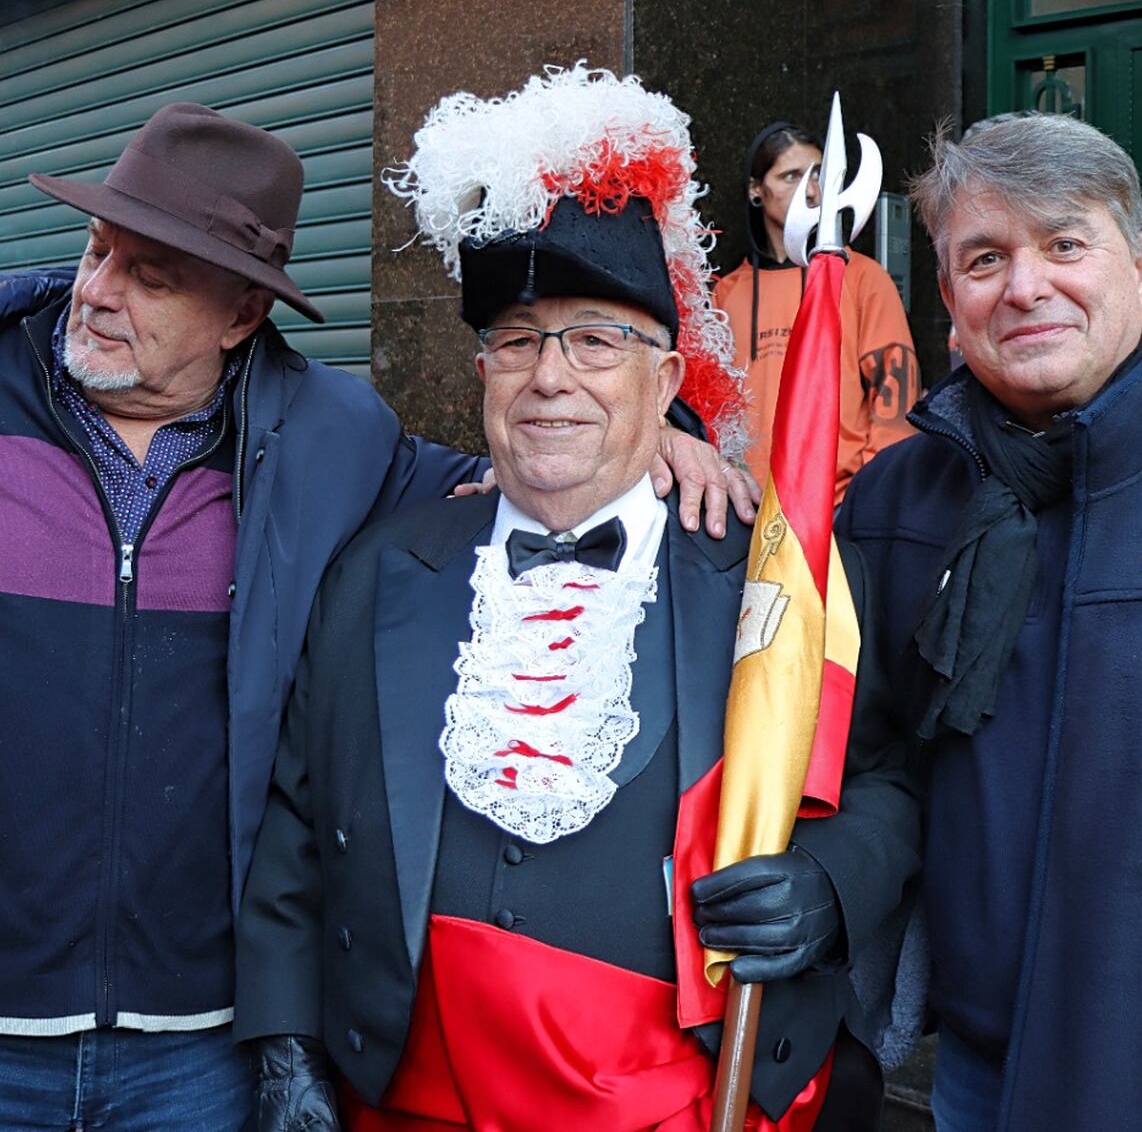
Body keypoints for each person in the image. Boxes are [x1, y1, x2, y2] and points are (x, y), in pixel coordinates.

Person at [0, 101, 748, 1132]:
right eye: (97, 251)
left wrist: (665, 432)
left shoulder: (334, 439)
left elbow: (533, 463)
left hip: (198, 1044)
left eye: (150, 274)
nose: (98, 291)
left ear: (240, 316)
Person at [233, 65, 920, 1132]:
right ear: (483, 377)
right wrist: (284, 1046)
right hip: (405, 1105)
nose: (550, 376)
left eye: (597, 341)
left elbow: (884, 782)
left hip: (685, 1101)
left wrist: (831, 888)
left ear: (666, 379)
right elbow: (294, 825)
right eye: (516, 341)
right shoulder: (379, 568)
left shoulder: (769, 574)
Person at [837, 111, 1142, 1131]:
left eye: (1065, 244)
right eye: (985, 258)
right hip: (976, 1075)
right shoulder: (895, 503)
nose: (1025, 286)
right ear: (948, 300)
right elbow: (868, 773)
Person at [713, 122, 920, 500]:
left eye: (819, 176)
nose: (811, 191)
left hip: (839, 502)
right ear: (756, 190)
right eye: (792, 176)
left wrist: (869, 490)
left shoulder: (861, 277)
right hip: (746, 503)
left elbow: (895, 391)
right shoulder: (726, 294)